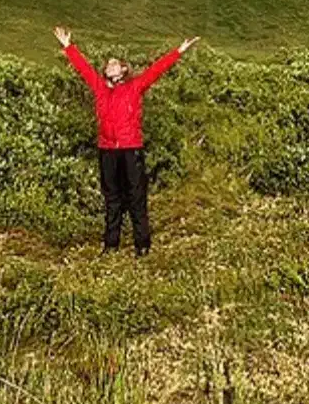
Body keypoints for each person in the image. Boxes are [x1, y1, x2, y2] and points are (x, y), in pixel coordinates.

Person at [53, 25, 200, 258]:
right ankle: (111, 245)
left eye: (115, 63)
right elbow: (83, 69)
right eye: (108, 63)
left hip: (131, 148)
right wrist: (68, 47)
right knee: (111, 198)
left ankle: (142, 245)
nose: (110, 65)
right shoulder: (100, 89)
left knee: (135, 197)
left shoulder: (135, 87)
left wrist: (179, 51)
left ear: (123, 69)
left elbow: (156, 70)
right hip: (107, 150)